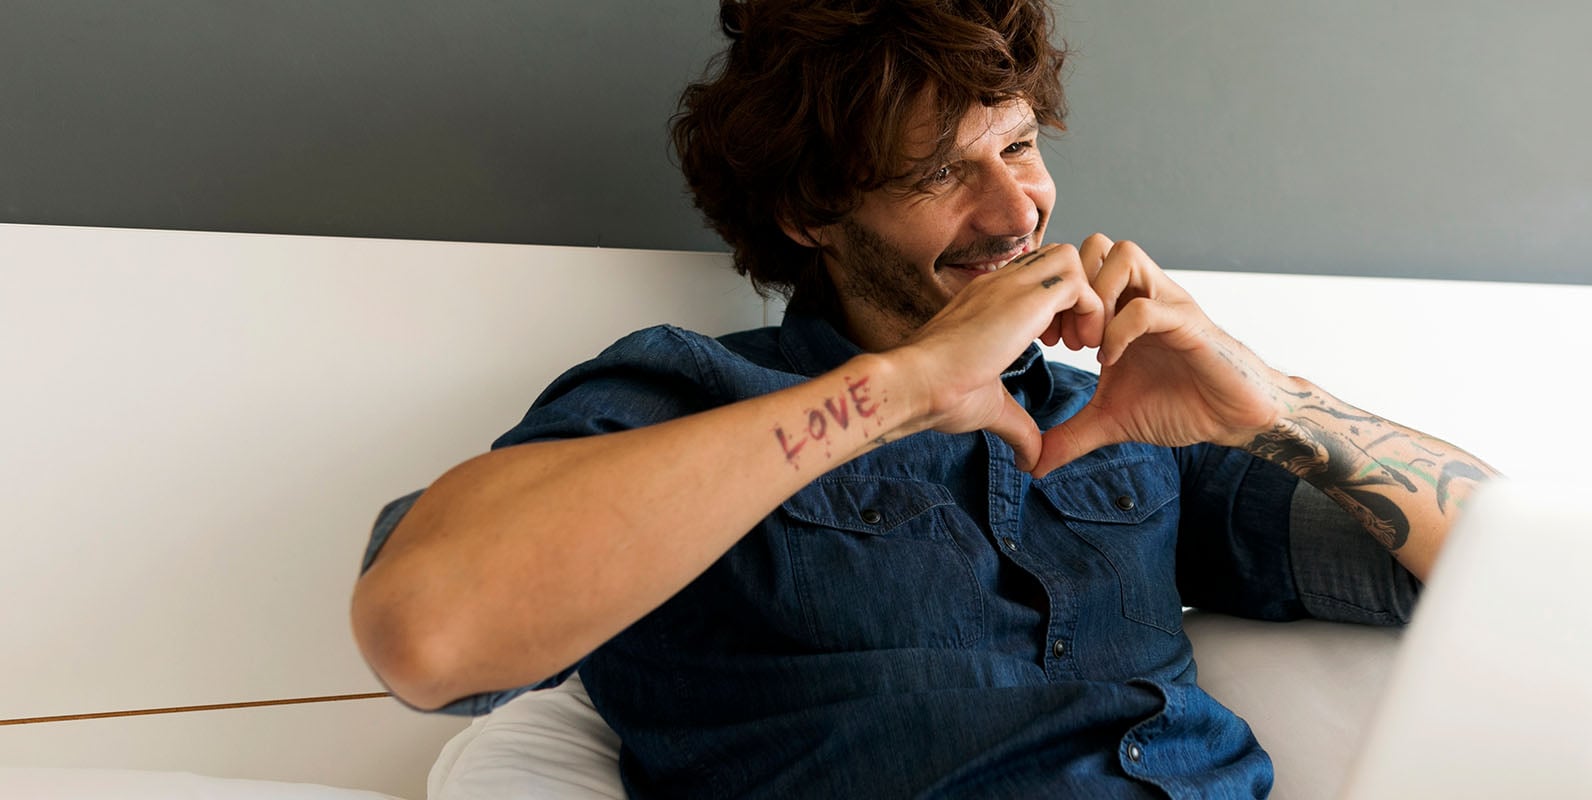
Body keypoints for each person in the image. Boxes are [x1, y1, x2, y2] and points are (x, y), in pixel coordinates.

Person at [350, 0, 1496, 796]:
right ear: (810, 211)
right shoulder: (695, 395)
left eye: (1020, 145)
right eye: (941, 171)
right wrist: (897, 390)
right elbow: (425, 632)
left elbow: (1507, 571)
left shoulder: (1127, 417)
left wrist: (1273, 405)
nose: (1016, 210)